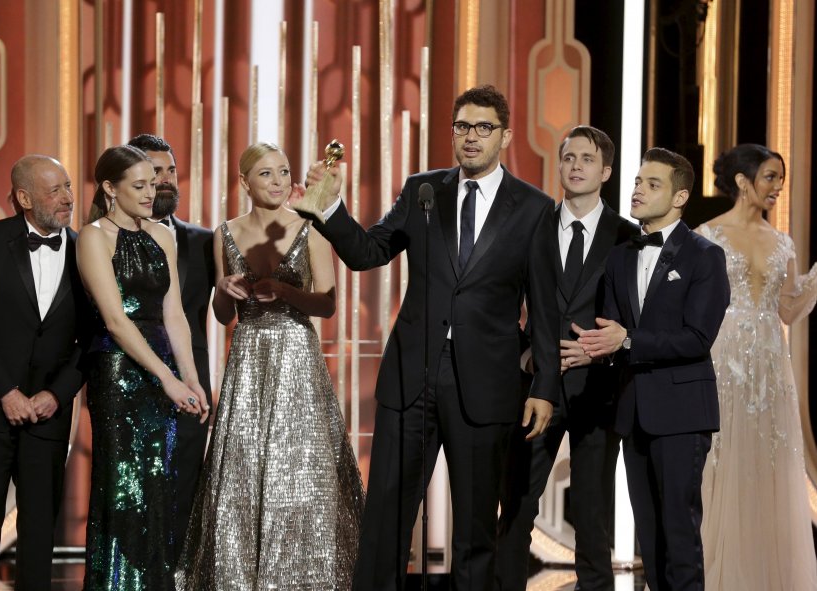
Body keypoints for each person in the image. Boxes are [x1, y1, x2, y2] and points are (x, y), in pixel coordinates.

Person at [303, 84, 559, 590]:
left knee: (475, 527)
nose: (470, 137)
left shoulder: (533, 208)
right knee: (386, 520)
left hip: (487, 383)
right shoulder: (424, 189)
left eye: (483, 128)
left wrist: (545, 387)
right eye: (462, 126)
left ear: (504, 136)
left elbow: (544, 307)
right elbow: (369, 251)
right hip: (411, 378)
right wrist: (330, 211)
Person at [177, 142, 364, 589]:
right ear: (244, 182)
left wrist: (283, 292)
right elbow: (222, 316)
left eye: (284, 172)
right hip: (247, 356)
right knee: (242, 471)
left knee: (300, 470)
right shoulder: (225, 232)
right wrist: (225, 287)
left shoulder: (311, 227)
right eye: (266, 174)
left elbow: (329, 303)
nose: (279, 182)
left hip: (297, 357)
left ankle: (306, 575)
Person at [576, 148, 730, 591]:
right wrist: (591, 347)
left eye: (652, 184)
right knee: (650, 539)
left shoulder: (705, 257)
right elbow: (609, 327)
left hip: (682, 413)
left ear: (680, 196)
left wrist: (625, 339)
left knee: (680, 535)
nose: (638, 190)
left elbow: (697, 338)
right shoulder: (621, 255)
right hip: (632, 410)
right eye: (638, 182)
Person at [496, 126, 638, 591]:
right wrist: (524, 354)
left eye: (587, 159)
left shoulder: (626, 235)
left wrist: (605, 347)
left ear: (607, 171)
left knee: (593, 510)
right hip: (538, 387)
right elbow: (502, 299)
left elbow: (639, 309)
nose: (576, 166)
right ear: (558, 166)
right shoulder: (533, 225)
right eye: (568, 157)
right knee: (517, 503)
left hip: (600, 390)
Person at [0, 154, 87, 590]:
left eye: (68, 187)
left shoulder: (88, 249)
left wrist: (57, 394)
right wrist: (6, 392)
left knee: (38, 532)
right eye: (56, 190)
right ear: (25, 198)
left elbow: (92, 337)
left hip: (49, 411)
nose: (68, 198)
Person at [77, 145, 208, 590]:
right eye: (140, 185)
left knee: (159, 482)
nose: (152, 192)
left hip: (163, 370)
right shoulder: (94, 236)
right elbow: (115, 320)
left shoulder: (162, 235)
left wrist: (189, 376)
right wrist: (167, 378)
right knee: (123, 484)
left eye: (153, 183)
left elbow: (175, 314)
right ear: (110, 189)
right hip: (118, 372)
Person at [696, 144, 817, 590]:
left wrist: (811, 285)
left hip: (770, 365)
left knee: (765, 468)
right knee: (720, 461)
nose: (777, 187)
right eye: (770, 177)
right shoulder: (705, 235)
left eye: (780, 179)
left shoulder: (783, 242)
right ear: (743, 181)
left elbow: (786, 310)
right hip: (721, 358)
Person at [126, 133, 214, 561]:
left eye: (170, 171)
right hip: (130, 381)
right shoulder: (101, 238)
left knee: (183, 493)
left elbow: (225, 312)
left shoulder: (203, 241)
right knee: (131, 493)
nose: (164, 181)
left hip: (190, 385)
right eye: (153, 172)